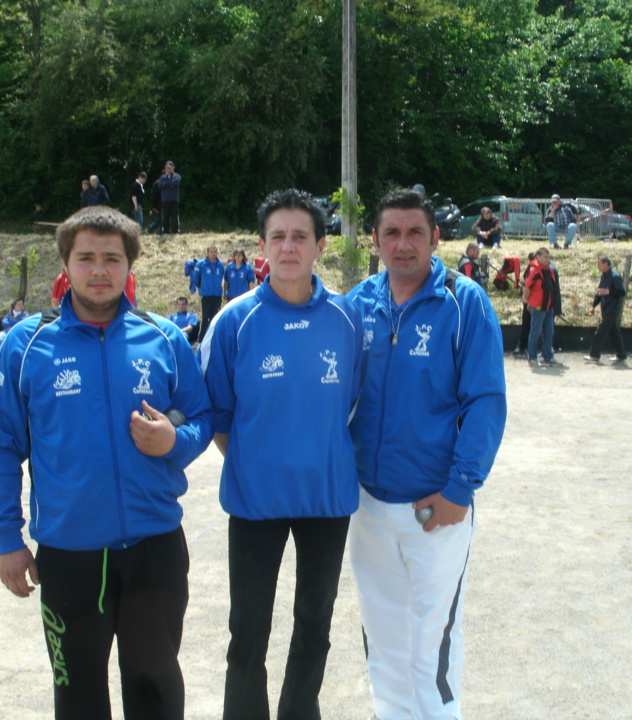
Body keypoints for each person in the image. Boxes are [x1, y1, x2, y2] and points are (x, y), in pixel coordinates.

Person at [0, 205, 213, 720]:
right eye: (86, 258)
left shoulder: (165, 339)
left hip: (155, 548)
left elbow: (202, 420)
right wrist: (8, 540)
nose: (100, 271)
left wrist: (173, 440)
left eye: (112, 258)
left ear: (131, 266)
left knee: (155, 685)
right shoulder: (26, 346)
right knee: (79, 694)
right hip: (70, 556)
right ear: (66, 266)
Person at [199, 188, 363, 720]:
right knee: (248, 629)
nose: (288, 246)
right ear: (262, 246)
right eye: (278, 237)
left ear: (319, 245)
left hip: (327, 498)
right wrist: (255, 462)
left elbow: (358, 401)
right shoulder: (233, 321)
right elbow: (218, 415)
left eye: (300, 236)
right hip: (255, 501)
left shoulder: (347, 318)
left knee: (315, 624)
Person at [347, 189, 506, 720]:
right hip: (368, 505)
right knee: (383, 633)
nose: (404, 244)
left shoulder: (465, 303)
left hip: (436, 506)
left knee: (432, 643)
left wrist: (460, 490)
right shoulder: (357, 305)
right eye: (391, 232)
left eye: (415, 232)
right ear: (375, 240)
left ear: (436, 238)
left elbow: (486, 402)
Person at [584, 256, 627, 363]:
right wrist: (593, 305)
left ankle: (594, 355)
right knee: (614, 333)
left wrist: (608, 292)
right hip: (606, 308)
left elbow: (621, 292)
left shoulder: (615, 276)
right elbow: (599, 292)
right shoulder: (604, 276)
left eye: (599, 264)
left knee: (600, 332)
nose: (597, 266)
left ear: (606, 264)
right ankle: (621, 355)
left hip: (612, 309)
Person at [523, 247, 559, 367]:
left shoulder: (548, 269)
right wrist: (528, 301)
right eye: (545, 257)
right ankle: (532, 358)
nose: (548, 259)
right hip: (538, 307)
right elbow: (526, 287)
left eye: (548, 257)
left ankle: (547, 356)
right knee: (535, 332)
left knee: (549, 331)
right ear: (537, 257)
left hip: (548, 307)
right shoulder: (534, 270)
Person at [193, 245, 224, 342]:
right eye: (211, 251)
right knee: (205, 318)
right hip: (206, 295)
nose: (213, 253)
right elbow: (195, 278)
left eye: (215, 251)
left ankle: (213, 339)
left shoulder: (220, 264)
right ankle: (201, 340)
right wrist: (201, 288)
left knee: (215, 318)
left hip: (217, 295)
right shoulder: (201, 264)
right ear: (207, 253)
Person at [158, 161, 182, 234]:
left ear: (173, 167)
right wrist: (170, 184)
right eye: (167, 168)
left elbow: (176, 182)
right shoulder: (162, 177)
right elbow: (160, 185)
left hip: (174, 199)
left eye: (170, 167)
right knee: (165, 217)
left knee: (175, 216)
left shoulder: (177, 176)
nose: (168, 169)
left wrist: (166, 184)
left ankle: (176, 231)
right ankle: (165, 232)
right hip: (165, 200)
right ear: (165, 168)